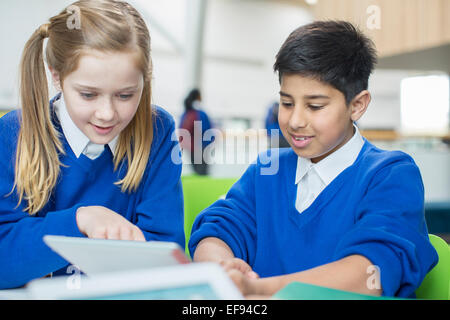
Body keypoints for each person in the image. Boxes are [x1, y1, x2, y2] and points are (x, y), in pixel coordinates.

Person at [188, 21, 438, 298]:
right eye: (286, 103)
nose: (295, 120)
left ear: (357, 105)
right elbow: (218, 228)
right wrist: (222, 269)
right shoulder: (267, 170)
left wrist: (256, 289)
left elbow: (369, 274)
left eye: (315, 106)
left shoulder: (390, 175)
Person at [0, 0, 184, 289]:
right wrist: (80, 221)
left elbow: (164, 255)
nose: (107, 113)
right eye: (88, 95)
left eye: (125, 95)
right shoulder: (14, 133)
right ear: (56, 76)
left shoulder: (158, 132)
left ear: (145, 79)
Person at [179, 88, 213, 175]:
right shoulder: (201, 114)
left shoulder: (186, 114)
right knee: (203, 173)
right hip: (201, 147)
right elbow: (208, 130)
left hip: (191, 148)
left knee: (197, 172)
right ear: (197, 97)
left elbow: (181, 130)